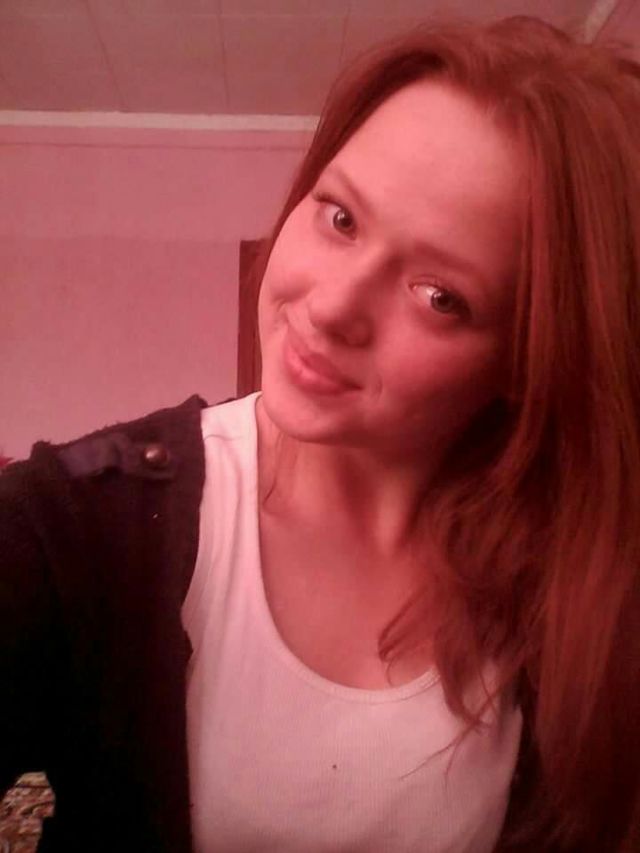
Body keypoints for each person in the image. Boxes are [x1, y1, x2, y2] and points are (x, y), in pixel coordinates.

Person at [1, 13, 639, 853]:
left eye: (439, 296)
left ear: (526, 359)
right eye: (340, 217)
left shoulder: (579, 590)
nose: (332, 306)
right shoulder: (77, 523)